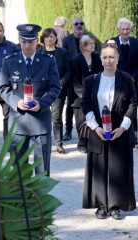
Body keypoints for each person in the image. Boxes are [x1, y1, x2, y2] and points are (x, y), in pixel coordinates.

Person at [81, 42, 136, 220]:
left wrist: (123, 127)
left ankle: (115, 205)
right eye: (105, 57)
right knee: (99, 168)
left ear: (117, 59)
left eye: (112, 56)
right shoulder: (91, 80)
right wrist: (94, 126)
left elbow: (133, 104)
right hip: (98, 130)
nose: (108, 60)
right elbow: (86, 104)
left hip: (120, 130)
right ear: (101, 59)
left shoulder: (127, 79)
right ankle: (101, 205)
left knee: (118, 167)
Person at [0, 24, 61, 176]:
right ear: (18, 41)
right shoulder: (9, 61)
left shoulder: (48, 61)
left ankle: (40, 200)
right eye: (24, 41)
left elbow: (55, 87)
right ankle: (20, 199)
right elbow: (3, 88)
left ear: (36, 42)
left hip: (40, 121)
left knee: (42, 170)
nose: (27, 46)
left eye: (31, 42)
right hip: (18, 122)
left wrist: (42, 103)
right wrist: (16, 102)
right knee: (18, 170)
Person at [39, 28, 71, 154]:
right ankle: (43, 142)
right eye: (47, 37)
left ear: (56, 38)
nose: (50, 39)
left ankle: (59, 144)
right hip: (42, 90)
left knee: (56, 117)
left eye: (52, 36)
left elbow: (68, 70)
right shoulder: (39, 53)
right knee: (42, 114)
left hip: (58, 90)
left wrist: (60, 84)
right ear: (43, 39)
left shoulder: (62, 52)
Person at [71, 35, 103, 153]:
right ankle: (82, 144)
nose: (93, 46)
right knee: (81, 120)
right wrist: (84, 95)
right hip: (79, 96)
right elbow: (75, 80)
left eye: (93, 44)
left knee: (94, 119)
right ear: (83, 46)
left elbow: (101, 74)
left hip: (95, 94)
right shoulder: (76, 60)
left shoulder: (97, 58)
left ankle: (93, 143)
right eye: (90, 44)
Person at [110, 18, 138, 147]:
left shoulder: (136, 42)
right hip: (118, 81)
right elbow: (109, 61)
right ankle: (119, 134)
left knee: (133, 108)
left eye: (127, 29)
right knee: (120, 108)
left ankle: (134, 136)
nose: (125, 31)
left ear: (130, 30)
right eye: (123, 29)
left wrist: (132, 77)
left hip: (134, 81)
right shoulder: (111, 42)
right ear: (118, 30)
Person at [62, 17, 86, 141]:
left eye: (81, 23)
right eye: (76, 24)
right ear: (71, 27)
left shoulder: (88, 38)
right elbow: (65, 59)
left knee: (86, 104)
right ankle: (68, 130)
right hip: (72, 78)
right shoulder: (67, 40)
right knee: (70, 105)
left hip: (85, 78)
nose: (79, 26)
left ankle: (86, 129)